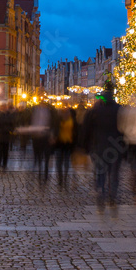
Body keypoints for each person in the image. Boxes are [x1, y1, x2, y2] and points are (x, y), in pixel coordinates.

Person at [82, 82, 126, 212]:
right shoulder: (119, 109)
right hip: (115, 147)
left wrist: (85, 146)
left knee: (101, 171)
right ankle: (112, 196)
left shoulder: (95, 111)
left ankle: (101, 191)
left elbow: (87, 128)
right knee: (114, 173)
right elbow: (124, 130)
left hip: (99, 146)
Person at [54, 106, 76, 188]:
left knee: (66, 162)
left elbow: (75, 132)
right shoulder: (58, 120)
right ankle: (60, 179)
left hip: (68, 144)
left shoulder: (72, 120)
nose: (66, 114)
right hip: (59, 143)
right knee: (58, 163)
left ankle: (65, 178)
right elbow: (55, 129)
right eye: (64, 112)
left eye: (67, 112)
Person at [0, 103, 15, 170]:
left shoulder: (9, 115)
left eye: (4, 106)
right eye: (2, 106)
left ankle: (4, 165)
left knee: (6, 151)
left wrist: (11, 131)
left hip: (6, 135)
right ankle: (0, 164)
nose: (3, 108)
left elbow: (12, 124)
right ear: (0, 107)